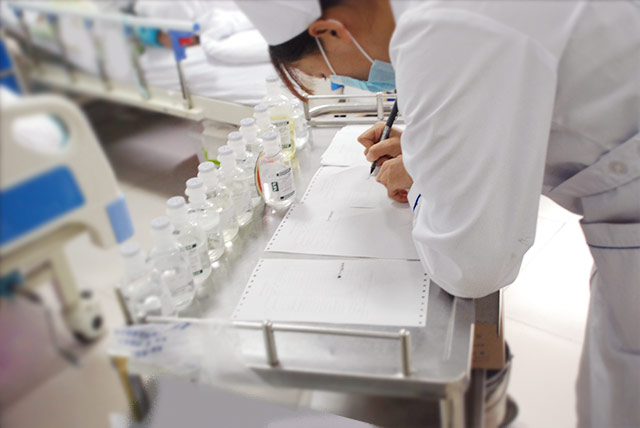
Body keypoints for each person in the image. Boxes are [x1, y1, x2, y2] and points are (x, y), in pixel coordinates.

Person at [235, 1, 640, 426]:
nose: (341, 80)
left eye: (324, 73)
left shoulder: (438, 29)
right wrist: (428, 152)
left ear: (332, 32)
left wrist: (421, 181)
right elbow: (504, 101)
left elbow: (471, 264)